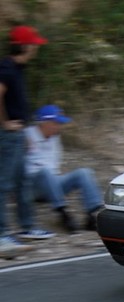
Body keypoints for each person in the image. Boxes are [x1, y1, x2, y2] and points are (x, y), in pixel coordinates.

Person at [0, 26, 55, 259]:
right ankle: (2, 236)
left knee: (22, 182)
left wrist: (24, 133)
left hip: (18, 134)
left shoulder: (18, 68)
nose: (36, 48)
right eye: (33, 45)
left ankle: (27, 227)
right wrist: (4, 124)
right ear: (24, 46)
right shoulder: (6, 67)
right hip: (8, 135)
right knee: (3, 184)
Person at [25, 105, 104, 232]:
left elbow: (54, 166)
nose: (58, 126)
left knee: (84, 173)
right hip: (32, 185)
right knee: (46, 172)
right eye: (56, 123)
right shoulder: (27, 135)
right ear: (45, 123)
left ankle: (91, 216)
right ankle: (63, 215)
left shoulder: (55, 138)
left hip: (52, 182)